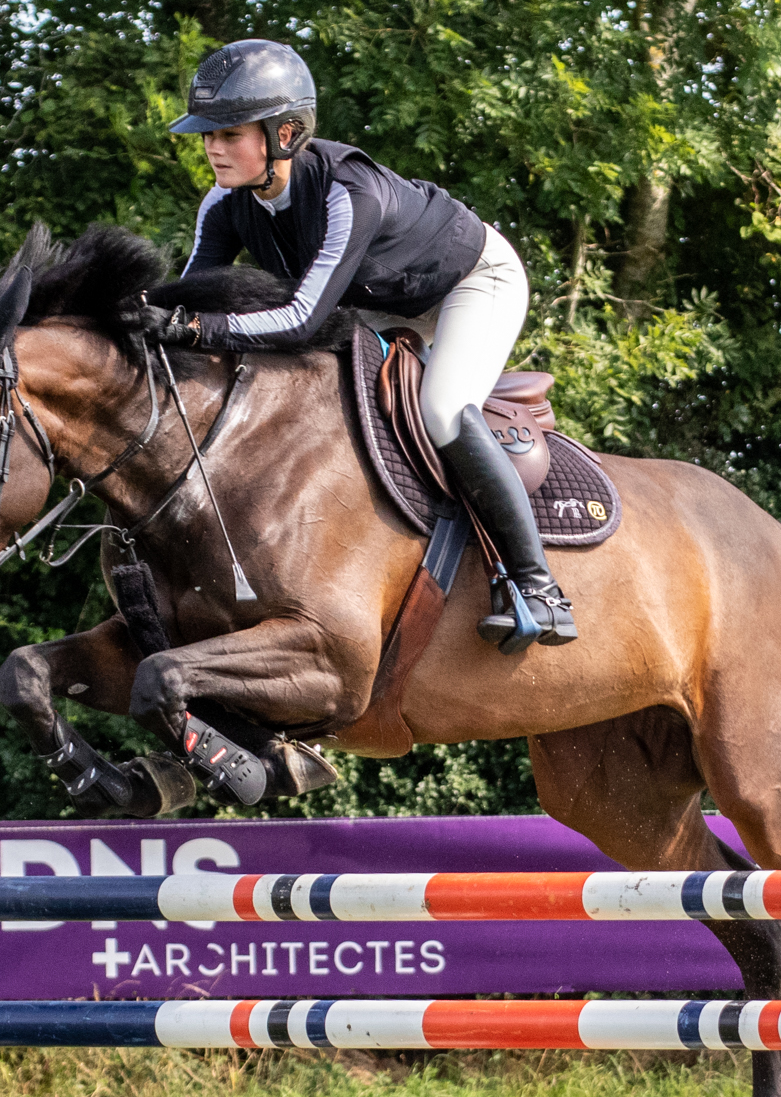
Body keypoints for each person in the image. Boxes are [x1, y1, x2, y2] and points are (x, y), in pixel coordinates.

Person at [144, 38, 576, 651]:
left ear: (285, 133)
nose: (213, 147)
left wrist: (193, 329)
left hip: (470, 282)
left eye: (230, 133)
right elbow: (189, 297)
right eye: (208, 135)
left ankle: (539, 588)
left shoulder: (347, 191)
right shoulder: (223, 203)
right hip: (376, 300)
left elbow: (298, 320)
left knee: (442, 410)